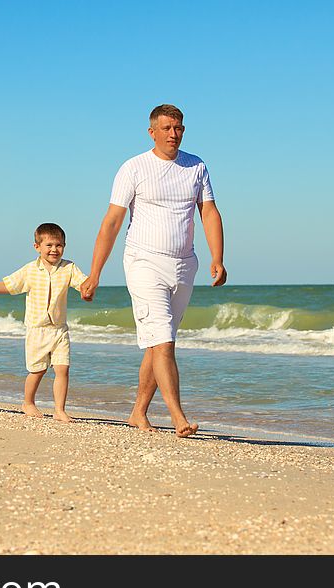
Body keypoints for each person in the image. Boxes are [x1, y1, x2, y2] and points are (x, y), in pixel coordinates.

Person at [80, 104, 227, 437]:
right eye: (166, 128)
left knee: (159, 341)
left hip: (184, 264)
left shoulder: (197, 166)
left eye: (178, 128)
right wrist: (95, 273)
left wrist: (217, 257)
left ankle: (138, 412)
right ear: (152, 132)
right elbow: (112, 222)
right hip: (143, 261)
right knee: (164, 343)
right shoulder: (134, 168)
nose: (173, 134)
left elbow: (210, 212)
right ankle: (178, 417)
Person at [0, 223, 87, 423]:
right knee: (37, 370)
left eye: (59, 245)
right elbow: (8, 286)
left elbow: (83, 283)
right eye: (49, 245)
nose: (54, 249)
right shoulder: (30, 270)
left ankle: (59, 410)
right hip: (37, 330)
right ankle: (28, 402)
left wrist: (88, 289)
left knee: (62, 369)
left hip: (59, 330)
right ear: (37, 246)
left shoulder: (69, 268)